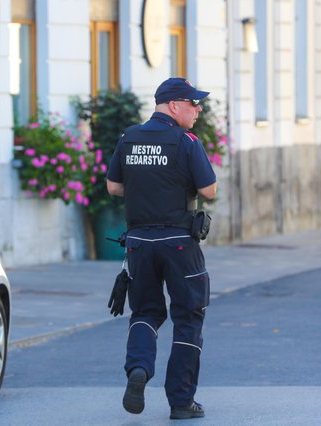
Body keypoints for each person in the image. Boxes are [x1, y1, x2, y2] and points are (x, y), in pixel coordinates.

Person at [106, 77, 217, 420]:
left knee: (146, 313)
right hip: (179, 244)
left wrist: (146, 189)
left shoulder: (129, 137)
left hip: (140, 244)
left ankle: (138, 369)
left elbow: (113, 186)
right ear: (173, 105)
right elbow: (209, 190)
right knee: (188, 317)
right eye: (193, 104)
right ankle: (181, 401)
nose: (198, 110)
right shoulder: (185, 141)